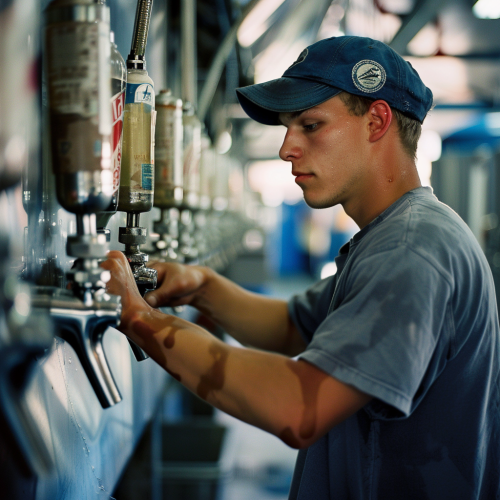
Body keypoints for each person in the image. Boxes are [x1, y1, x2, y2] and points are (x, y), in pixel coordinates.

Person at [102, 36, 500, 499]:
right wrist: (201, 286)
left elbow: (298, 408)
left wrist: (143, 321)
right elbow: (291, 325)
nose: (287, 148)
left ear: (377, 121)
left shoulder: (411, 250)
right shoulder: (387, 238)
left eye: (310, 125)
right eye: (289, 128)